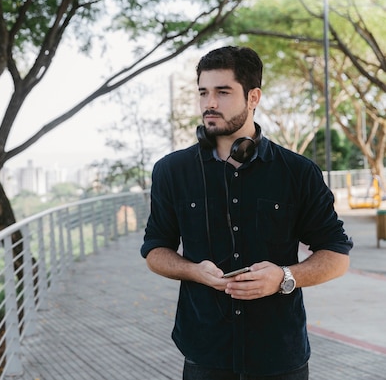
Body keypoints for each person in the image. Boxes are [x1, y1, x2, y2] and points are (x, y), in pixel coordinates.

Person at [141, 46, 353, 380]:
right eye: (203, 92)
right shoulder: (172, 171)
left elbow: (337, 255)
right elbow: (155, 250)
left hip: (279, 355)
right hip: (204, 352)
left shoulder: (297, 172)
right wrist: (195, 271)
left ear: (253, 97)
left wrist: (284, 278)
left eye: (222, 92)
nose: (210, 103)